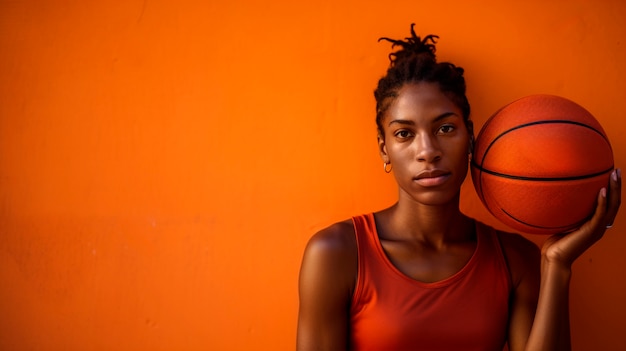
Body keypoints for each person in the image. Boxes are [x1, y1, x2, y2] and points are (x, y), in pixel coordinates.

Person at [296, 24, 621, 351]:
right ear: (384, 149)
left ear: (470, 136)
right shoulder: (337, 254)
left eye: (446, 128)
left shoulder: (515, 259)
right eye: (404, 134)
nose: (428, 151)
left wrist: (557, 265)